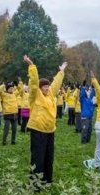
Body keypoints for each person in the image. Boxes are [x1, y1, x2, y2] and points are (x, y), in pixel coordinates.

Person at [24, 55, 67, 186]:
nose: (47, 88)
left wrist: (61, 71)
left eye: (47, 86)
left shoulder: (50, 95)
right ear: (40, 87)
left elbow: (56, 84)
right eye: (44, 86)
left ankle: (47, 180)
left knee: (49, 156)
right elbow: (33, 81)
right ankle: (35, 183)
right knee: (38, 157)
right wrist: (31, 65)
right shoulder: (35, 95)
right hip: (38, 130)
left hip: (50, 131)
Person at [0, 78, 22, 145]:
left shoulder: (14, 94)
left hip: (15, 114)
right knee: (6, 129)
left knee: (14, 129)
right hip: (7, 114)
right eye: (10, 88)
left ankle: (13, 141)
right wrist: (4, 84)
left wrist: (17, 85)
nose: (11, 89)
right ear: (7, 89)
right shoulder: (4, 95)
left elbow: (20, 90)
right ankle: (4, 141)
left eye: (12, 88)